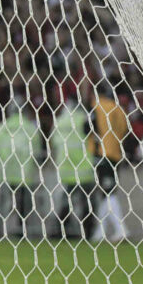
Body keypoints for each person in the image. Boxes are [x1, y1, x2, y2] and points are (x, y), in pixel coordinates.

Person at [0, 99, 42, 238]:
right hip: (24, 173)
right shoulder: (31, 128)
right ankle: (23, 230)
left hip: (4, 172)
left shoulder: (2, 127)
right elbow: (37, 151)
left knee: (0, 203)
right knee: (24, 205)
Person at [87, 85, 130, 243]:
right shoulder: (117, 108)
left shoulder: (95, 107)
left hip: (101, 153)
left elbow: (89, 128)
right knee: (105, 193)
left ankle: (122, 229)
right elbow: (124, 129)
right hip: (115, 153)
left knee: (108, 192)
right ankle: (100, 232)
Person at [51, 97, 96, 239]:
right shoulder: (83, 118)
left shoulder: (59, 121)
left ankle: (60, 231)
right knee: (86, 203)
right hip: (84, 168)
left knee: (67, 201)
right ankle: (87, 233)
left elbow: (52, 141)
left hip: (65, 168)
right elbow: (93, 137)